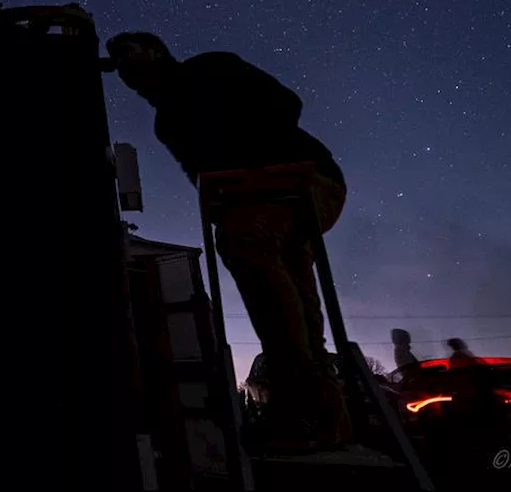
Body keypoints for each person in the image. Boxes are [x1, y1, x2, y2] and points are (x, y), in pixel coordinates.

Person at [105, 32, 350, 453]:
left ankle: (301, 403)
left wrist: (247, 165)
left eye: (131, 61)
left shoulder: (211, 67)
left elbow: (285, 104)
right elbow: (199, 178)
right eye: (122, 72)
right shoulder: (166, 123)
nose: (128, 76)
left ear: (156, 51)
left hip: (306, 183)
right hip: (255, 200)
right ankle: (328, 420)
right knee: (295, 294)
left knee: (245, 243)